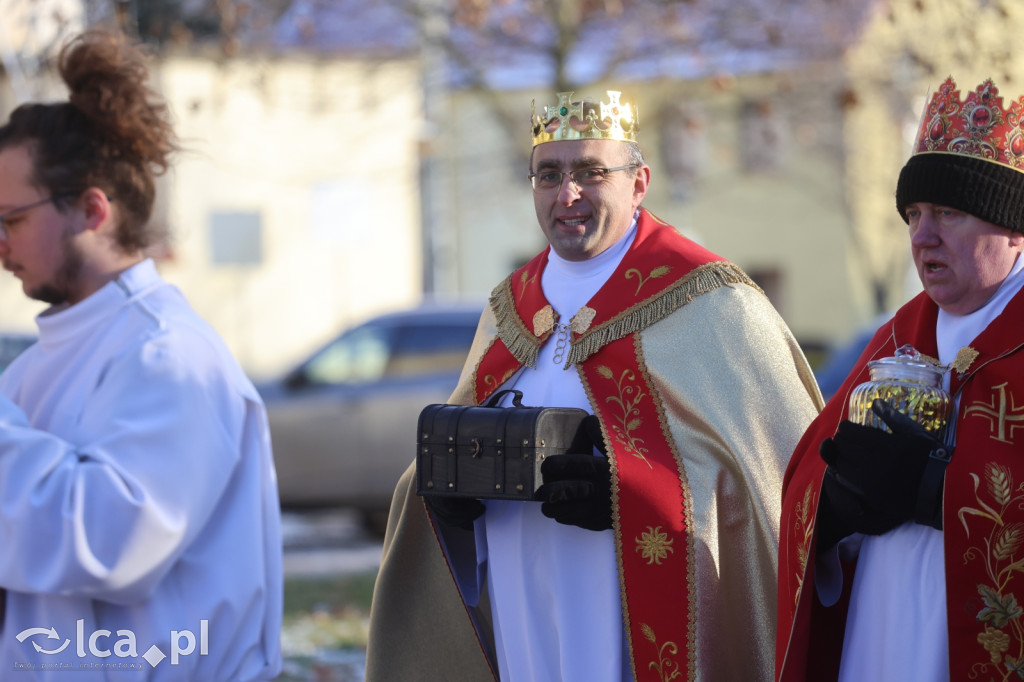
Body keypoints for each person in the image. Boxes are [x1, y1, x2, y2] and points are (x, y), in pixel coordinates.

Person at [366, 89, 823, 681]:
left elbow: (774, 482)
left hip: (635, 607)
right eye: (548, 175)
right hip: (520, 594)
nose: (567, 195)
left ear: (639, 183)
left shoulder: (713, 301)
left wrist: (630, 492)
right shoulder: (508, 307)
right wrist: (446, 492)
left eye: (590, 172)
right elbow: (457, 435)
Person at [0, 29, 282, 680]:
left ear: (92, 210)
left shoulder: (171, 356)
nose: (0, 244)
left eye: (11, 220)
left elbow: (109, 542)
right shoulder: (28, 374)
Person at [776, 75, 1024, 681]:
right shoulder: (896, 335)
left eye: (948, 212)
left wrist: (935, 491)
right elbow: (807, 481)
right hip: (880, 634)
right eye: (913, 214)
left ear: (1012, 226)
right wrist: (839, 507)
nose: (921, 236)